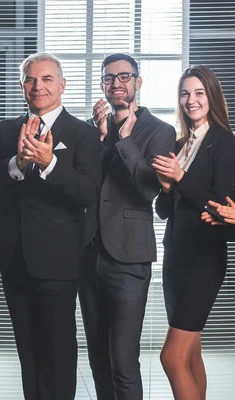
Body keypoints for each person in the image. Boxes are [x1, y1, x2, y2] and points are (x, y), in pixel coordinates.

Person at [0, 53, 101, 399]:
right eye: (30, 79)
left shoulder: (83, 134)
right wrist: (15, 162)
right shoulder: (4, 131)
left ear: (62, 84)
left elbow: (89, 192)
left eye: (46, 79)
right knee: (28, 354)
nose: (37, 86)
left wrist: (50, 163)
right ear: (21, 86)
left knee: (57, 353)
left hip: (59, 263)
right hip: (15, 260)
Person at [80, 53, 176, 400]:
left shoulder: (161, 132)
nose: (116, 83)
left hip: (129, 258)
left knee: (123, 361)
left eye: (124, 76)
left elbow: (147, 190)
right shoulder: (91, 130)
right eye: (108, 78)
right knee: (98, 360)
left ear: (138, 81)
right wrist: (101, 137)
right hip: (88, 254)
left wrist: (123, 139)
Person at [152, 65, 235, 400]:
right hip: (175, 257)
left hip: (204, 259)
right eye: (185, 93)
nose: (191, 100)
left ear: (211, 96)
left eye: (199, 93)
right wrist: (168, 187)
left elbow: (220, 204)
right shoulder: (180, 143)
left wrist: (181, 179)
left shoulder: (225, 142)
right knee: (190, 353)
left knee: (171, 357)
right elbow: (163, 210)